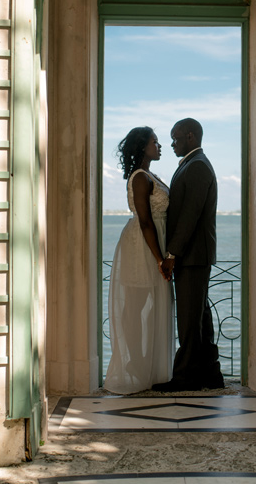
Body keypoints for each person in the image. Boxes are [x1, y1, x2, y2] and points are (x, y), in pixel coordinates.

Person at [154, 118, 225, 392]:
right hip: (194, 255)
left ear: (191, 137)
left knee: (188, 319)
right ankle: (211, 374)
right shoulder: (193, 164)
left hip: (193, 256)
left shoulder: (197, 166)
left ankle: (185, 377)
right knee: (199, 317)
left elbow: (189, 217)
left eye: (176, 138)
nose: (172, 144)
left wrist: (172, 253)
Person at [104, 126, 175, 394]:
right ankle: (133, 362)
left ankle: (143, 364)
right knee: (134, 306)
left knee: (144, 304)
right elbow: (145, 221)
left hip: (153, 242)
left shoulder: (150, 174)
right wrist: (160, 259)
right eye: (155, 142)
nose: (160, 146)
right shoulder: (140, 178)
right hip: (141, 246)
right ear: (142, 146)